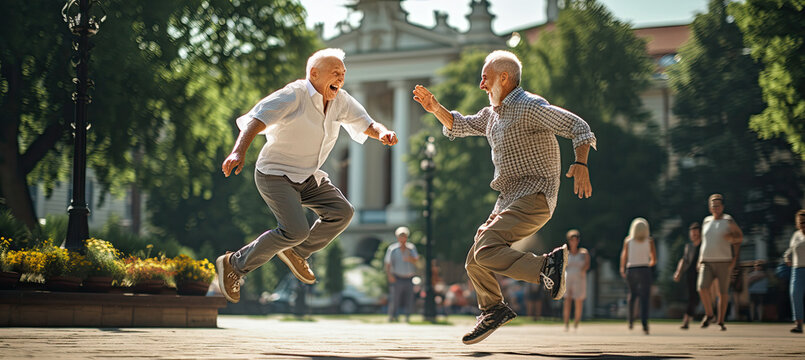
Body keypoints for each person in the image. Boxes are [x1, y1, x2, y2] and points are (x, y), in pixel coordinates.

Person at [412, 50, 597, 345]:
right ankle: (493, 310)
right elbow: (460, 125)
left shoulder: (529, 106)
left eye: (485, 78)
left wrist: (581, 162)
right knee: (475, 260)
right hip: (509, 199)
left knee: (485, 250)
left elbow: (578, 127)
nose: (481, 84)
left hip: (535, 195)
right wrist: (435, 108)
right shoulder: (492, 115)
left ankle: (546, 267)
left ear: (504, 78)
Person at [215, 48, 399, 303]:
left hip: (309, 177)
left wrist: (383, 133)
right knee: (295, 229)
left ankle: (297, 252)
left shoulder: (341, 100)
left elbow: (366, 122)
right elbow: (257, 118)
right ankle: (235, 264)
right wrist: (238, 152)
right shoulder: (295, 94)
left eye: (343, 74)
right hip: (275, 174)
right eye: (335, 73)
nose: (341, 78)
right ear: (314, 74)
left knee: (341, 212)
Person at [698, 194, 743, 331]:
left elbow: (739, 237)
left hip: (724, 260)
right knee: (702, 287)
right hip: (707, 260)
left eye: (718, 205)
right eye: (713, 206)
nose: (715, 208)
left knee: (722, 292)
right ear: (710, 207)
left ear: (722, 207)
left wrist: (734, 255)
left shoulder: (728, 220)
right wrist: (700, 259)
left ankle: (721, 320)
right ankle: (709, 313)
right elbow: (704, 241)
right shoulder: (706, 221)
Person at [619, 217, 657, 335]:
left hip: (631, 269)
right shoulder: (649, 241)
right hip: (644, 269)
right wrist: (649, 263)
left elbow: (624, 256)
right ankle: (644, 324)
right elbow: (654, 258)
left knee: (632, 295)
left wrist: (622, 268)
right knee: (645, 297)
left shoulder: (628, 241)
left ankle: (630, 320)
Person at [384, 226, 419, 322]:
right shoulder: (393, 249)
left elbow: (416, 260)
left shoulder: (411, 248)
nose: (403, 238)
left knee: (409, 298)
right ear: (397, 237)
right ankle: (392, 316)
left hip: (409, 277)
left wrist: (409, 258)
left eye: (404, 236)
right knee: (395, 298)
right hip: (397, 277)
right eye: (401, 236)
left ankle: (407, 316)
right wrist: (389, 275)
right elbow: (387, 263)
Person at [673, 222, 702, 329]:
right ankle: (686, 320)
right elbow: (684, 260)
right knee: (692, 297)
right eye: (692, 233)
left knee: (704, 296)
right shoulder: (689, 247)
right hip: (690, 275)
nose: (693, 235)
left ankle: (712, 316)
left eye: (696, 232)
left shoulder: (704, 246)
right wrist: (678, 272)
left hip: (703, 274)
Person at [563, 229, 590, 331]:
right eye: (571, 239)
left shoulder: (583, 252)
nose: (573, 242)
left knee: (578, 300)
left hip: (579, 277)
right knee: (567, 300)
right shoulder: (566, 253)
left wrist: (582, 271)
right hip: (568, 276)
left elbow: (587, 264)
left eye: (575, 239)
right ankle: (566, 323)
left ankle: (576, 322)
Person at [784, 209, 805, 333]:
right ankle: (798, 324)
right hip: (797, 269)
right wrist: (786, 256)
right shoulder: (796, 235)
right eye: (800, 222)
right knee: (795, 294)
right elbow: (791, 249)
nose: (803, 225)